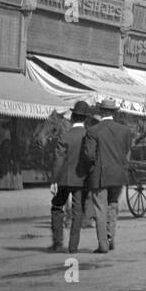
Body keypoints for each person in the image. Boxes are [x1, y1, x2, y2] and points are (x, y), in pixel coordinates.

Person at [80, 98, 134, 254]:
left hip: (101, 175)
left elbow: (89, 155)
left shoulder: (93, 131)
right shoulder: (124, 131)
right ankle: (110, 239)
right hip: (118, 175)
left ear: (101, 112)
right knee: (113, 205)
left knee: (100, 208)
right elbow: (126, 152)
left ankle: (103, 244)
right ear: (114, 112)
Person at [50, 100, 91, 254]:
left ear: (73, 116)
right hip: (81, 179)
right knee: (77, 211)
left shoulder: (65, 136)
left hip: (64, 179)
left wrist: (54, 180)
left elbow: (58, 159)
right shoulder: (88, 136)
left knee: (56, 207)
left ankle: (58, 242)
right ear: (86, 119)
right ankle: (73, 246)